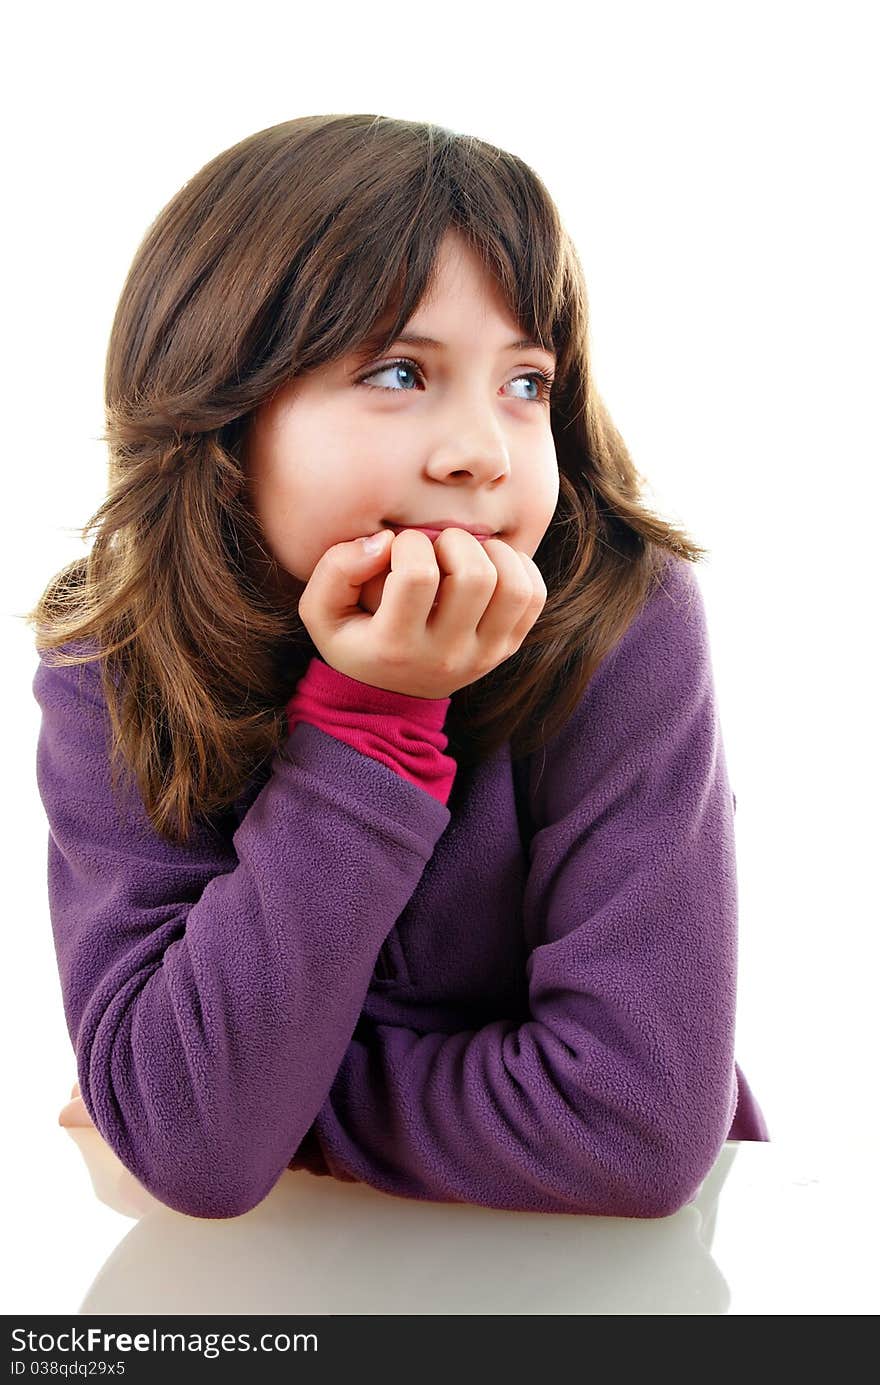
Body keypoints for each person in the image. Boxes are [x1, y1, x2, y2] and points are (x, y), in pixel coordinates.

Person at [28, 113, 769, 1223]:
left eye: (525, 383)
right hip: (280, 1276)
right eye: (396, 370)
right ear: (222, 422)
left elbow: (632, 1127)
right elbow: (196, 1153)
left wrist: (262, 1099)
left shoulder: (623, 618)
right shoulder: (115, 656)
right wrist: (367, 723)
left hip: (598, 1285)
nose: (480, 448)